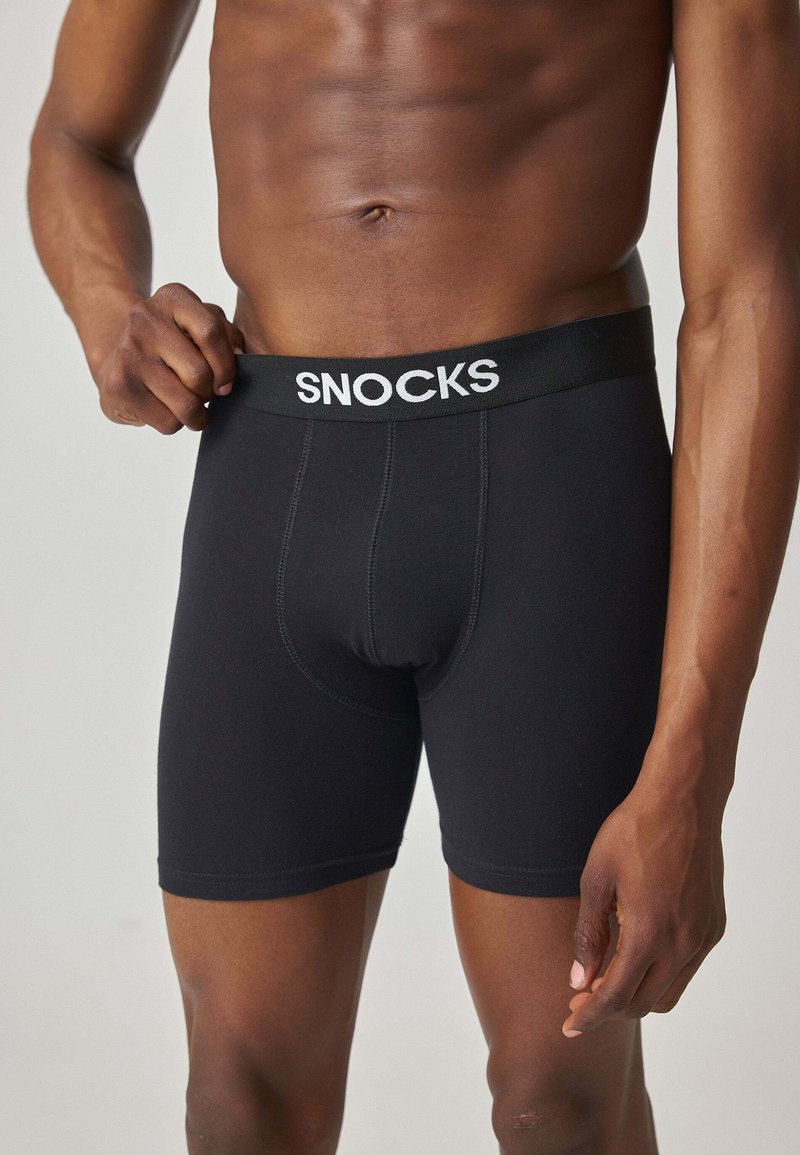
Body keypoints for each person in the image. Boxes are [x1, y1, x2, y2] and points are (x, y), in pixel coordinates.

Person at [26, 1, 800, 1151]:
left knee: (558, 1111)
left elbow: (744, 298)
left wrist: (693, 772)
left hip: (549, 482)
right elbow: (77, 138)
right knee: (236, 1105)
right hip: (274, 472)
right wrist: (107, 319)